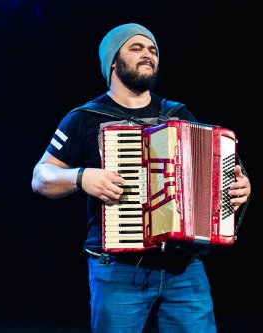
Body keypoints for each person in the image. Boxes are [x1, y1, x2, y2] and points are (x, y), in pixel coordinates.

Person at [31, 23, 251, 332]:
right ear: (112, 61)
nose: (147, 54)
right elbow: (40, 177)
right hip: (118, 270)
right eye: (136, 48)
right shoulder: (84, 118)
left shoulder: (177, 114)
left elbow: (212, 174)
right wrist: (81, 177)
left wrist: (239, 187)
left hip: (184, 269)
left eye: (153, 50)